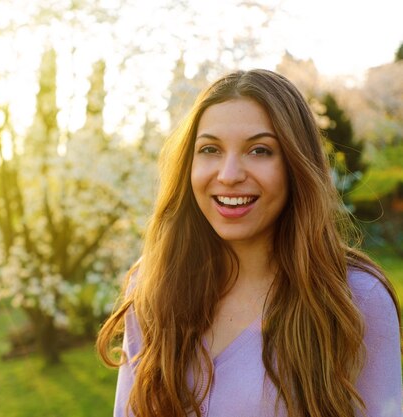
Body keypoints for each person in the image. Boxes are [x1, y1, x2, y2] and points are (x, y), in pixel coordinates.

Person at [96, 69, 402, 417]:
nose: (228, 175)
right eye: (210, 149)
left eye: (259, 150)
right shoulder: (153, 286)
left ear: (296, 165)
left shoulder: (355, 300)